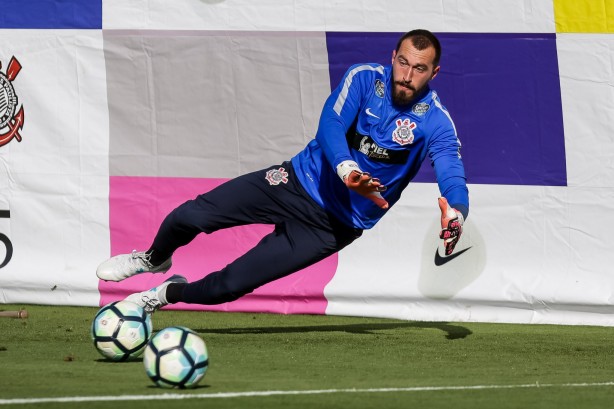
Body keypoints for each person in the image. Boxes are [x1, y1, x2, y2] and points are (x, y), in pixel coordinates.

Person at [96, 29, 469, 313]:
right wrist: (347, 168)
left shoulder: (436, 121)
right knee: (190, 215)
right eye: (402, 62)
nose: (406, 75)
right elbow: (331, 125)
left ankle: (161, 294)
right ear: (393, 57)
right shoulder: (364, 78)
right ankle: (153, 258)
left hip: (331, 227)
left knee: (225, 288)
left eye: (419, 68)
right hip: (294, 182)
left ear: (434, 72)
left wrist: (456, 212)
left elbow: (451, 172)